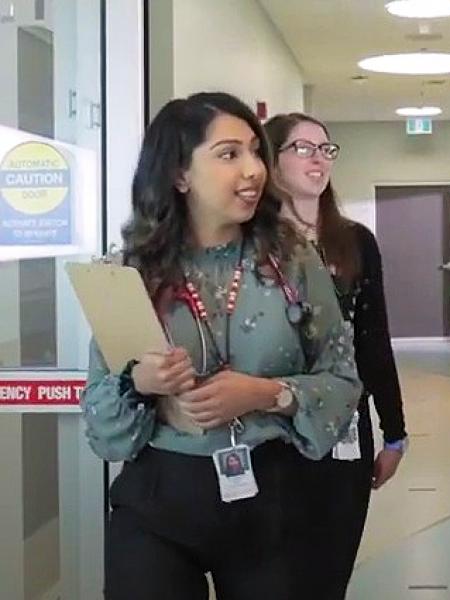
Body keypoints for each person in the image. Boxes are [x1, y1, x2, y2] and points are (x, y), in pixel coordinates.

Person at [81, 92, 361, 600]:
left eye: (256, 151)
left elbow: (343, 383)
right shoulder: (130, 274)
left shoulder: (294, 260)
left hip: (274, 498)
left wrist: (264, 393)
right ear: (179, 174)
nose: (254, 169)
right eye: (229, 154)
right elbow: (101, 426)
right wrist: (138, 383)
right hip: (159, 500)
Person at [265, 111, 408, 600]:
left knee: (329, 570)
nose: (318, 159)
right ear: (273, 160)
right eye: (302, 148)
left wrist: (394, 433)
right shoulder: (252, 242)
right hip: (271, 428)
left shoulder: (355, 241)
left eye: (325, 149)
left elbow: (373, 339)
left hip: (345, 429)